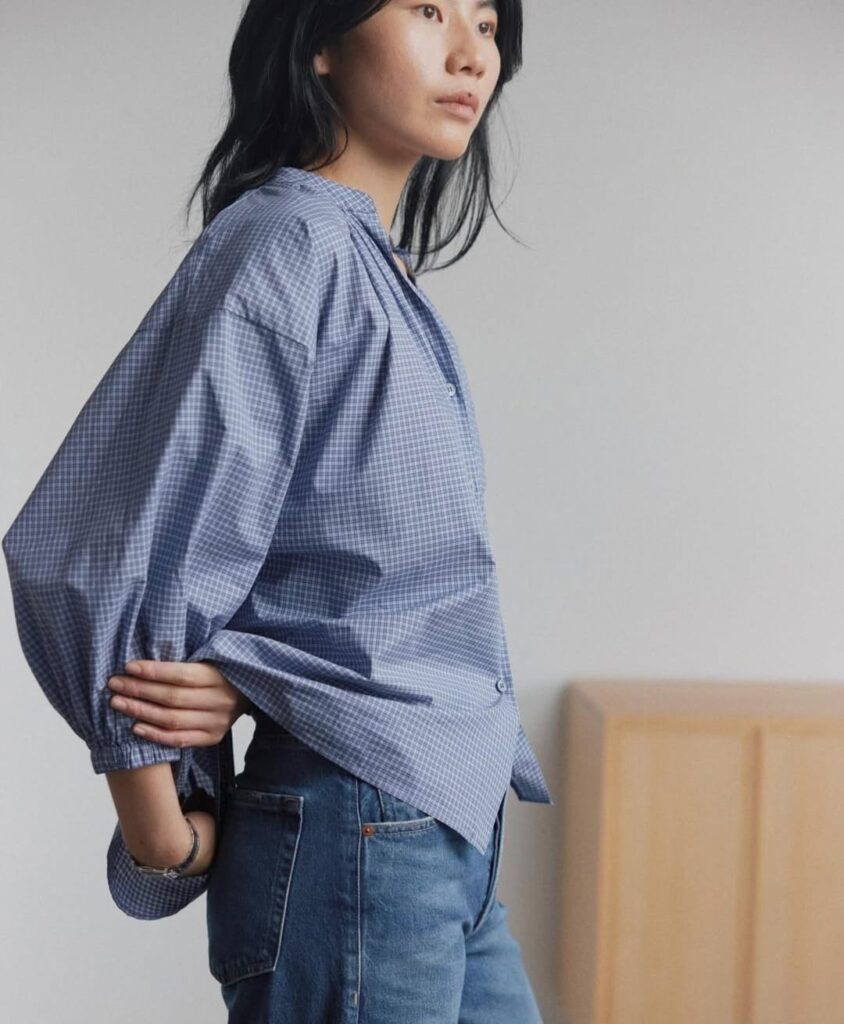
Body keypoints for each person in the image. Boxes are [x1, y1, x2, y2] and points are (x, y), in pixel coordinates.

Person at [2, 0, 553, 1019]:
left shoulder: (363, 258)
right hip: (365, 833)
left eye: (485, 21)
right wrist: (162, 832)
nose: (471, 53)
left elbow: (330, 575)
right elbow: (114, 545)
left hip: (441, 833)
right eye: (428, 9)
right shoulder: (290, 244)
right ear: (320, 40)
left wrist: (253, 670)